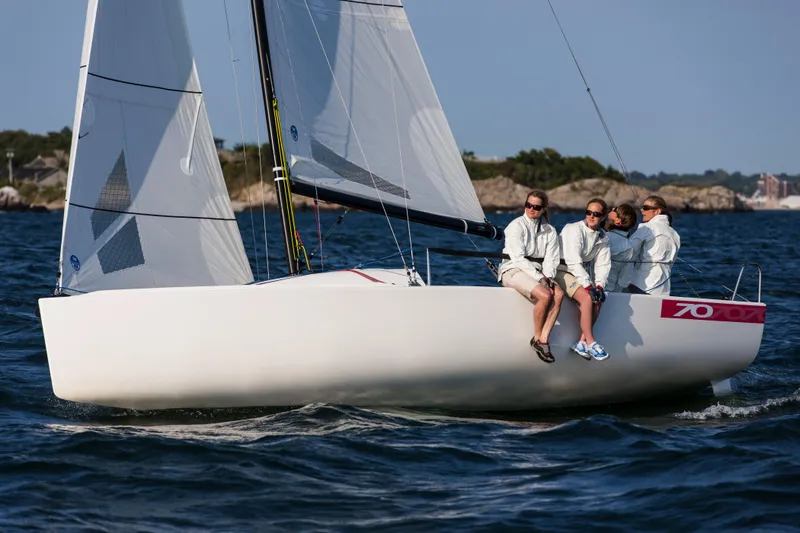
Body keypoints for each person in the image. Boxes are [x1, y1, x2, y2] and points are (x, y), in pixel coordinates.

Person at [498, 190, 564, 363]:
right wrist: (539, 278)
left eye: (536, 207)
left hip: (538, 272)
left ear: (543, 209)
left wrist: (548, 277)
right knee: (545, 295)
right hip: (512, 269)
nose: (531, 209)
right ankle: (536, 338)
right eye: (528, 205)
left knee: (559, 295)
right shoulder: (516, 226)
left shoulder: (550, 231)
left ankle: (543, 339)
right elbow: (518, 259)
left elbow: (552, 258)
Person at [556, 198, 612, 361]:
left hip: (578, 273)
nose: (591, 217)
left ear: (603, 217)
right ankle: (592, 342)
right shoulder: (574, 229)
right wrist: (589, 287)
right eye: (588, 213)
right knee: (588, 297)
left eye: (596, 214)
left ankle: (581, 342)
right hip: (561, 270)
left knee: (599, 299)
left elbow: (603, 264)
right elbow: (573, 261)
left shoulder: (603, 237)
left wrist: (600, 286)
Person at [628, 195, 681, 295]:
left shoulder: (646, 228)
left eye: (646, 208)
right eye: (642, 208)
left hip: (641, 284)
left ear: (657, 211)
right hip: (663, 289)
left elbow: (628, 252)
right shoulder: (675, 234)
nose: (642, 211)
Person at [604, 204, 637, 292]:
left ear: (618, 221)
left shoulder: (603, 238)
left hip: (596, 290)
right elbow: (624, 282)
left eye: (614, 210)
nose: (612, 209)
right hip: (613, 291)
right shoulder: (629, 246)